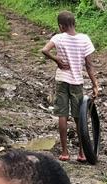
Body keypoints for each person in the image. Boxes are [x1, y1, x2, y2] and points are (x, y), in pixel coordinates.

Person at [40, 11, 98, 163]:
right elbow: (89, 65)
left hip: (61, 80)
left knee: (62, 115)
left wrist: (56, 60)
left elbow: (45, 50)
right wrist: (95, 84)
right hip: (77, 82)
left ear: (61, 26)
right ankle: (81, 153)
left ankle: (65, 152)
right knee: (79, 118)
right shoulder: (85, 39)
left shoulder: (58, 38)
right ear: (74, 24)